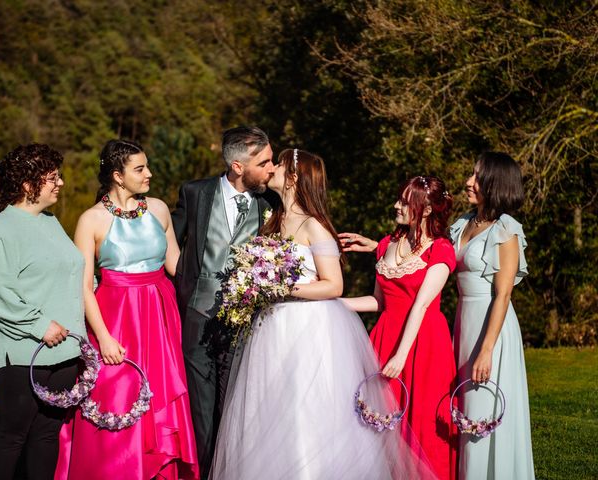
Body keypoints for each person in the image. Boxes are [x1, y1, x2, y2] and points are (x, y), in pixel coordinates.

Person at [210, 149, 437, 480]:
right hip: (272, 329)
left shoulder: (314, 227)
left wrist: (280, 290)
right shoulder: (272, 219)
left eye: (279, 164)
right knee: (269, 406)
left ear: (294, 178)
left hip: (305, 328)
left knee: (304, 407)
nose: (270, 168)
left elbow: (334, 285)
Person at [55, 140, 199, 480]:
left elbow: (176, 264)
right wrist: (103, 337)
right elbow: (83, 285)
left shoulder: (160, 210)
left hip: (161, 316)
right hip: (116, 317)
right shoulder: (90, 220)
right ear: (118, 176)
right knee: (117, 394)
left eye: (147, 166)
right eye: (140, 169)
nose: (149, 174)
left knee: (162, 394)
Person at [171, 126, 275, 478]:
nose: (272, 168)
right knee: (200, 407)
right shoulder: (196, 193)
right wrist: (181, 280)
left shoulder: (269, 203)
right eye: (264, 162)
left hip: (244, 321)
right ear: (237, 166)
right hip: (197, 315)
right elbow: (169, 239)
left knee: (232, 406)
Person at [0, 144, 84, 480]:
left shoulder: (50, 222)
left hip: (65, 350)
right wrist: (39, 325)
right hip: (23, 351)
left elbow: (68, 271)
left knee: (47, 432)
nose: (61, 183)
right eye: (53, 178)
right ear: (27, 185)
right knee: (13, 434)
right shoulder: (0, 230)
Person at [340, 176, 458, 480]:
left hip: (424, 343)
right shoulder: (387, 246)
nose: (397, 206)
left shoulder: (441, 250)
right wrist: (333, 302)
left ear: (428, 208)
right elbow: (379, 302)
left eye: (405, 202)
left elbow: (420, 306)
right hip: (386, 336)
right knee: (378, 420)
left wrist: (401, 356)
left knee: (421, 420)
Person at [449, 152, 534, 479]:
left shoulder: (505, 229)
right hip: (465, 321)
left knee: (484, 409)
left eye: (477, 178)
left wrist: (486, 350)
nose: (469, 183)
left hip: (491, 328)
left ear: (495, 184)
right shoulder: (464, 223)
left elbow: (503, 293)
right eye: (471, 175)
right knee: (467, 409)